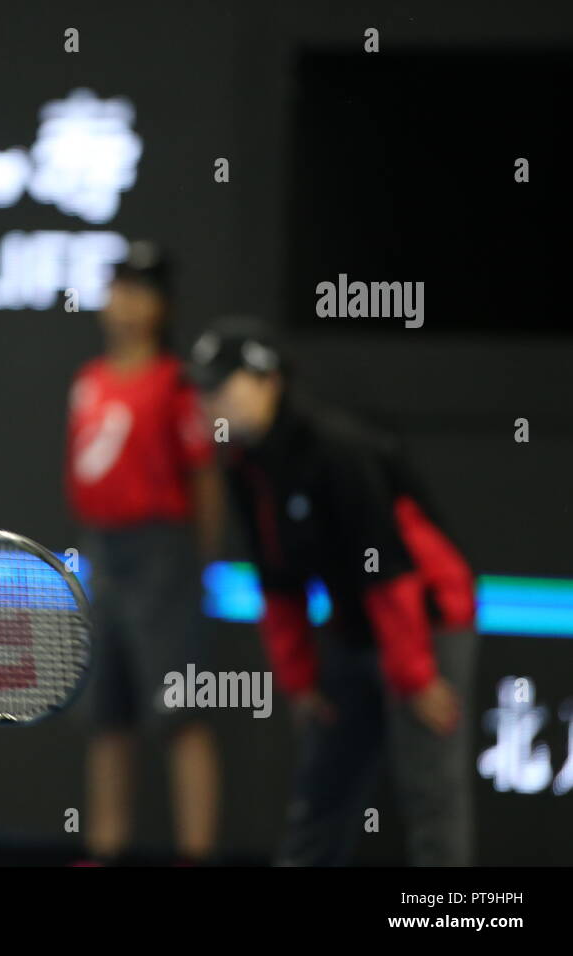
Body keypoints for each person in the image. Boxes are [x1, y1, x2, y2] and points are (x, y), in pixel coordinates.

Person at [188, 316, 478, 866]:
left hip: (428, 619)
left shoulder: (339, 450)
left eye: (220, 387)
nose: (208, 403)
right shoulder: (241, 464)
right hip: (352, 626)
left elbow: (388, 569)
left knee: (429, 793)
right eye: (202, 389)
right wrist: (300, 679)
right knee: (322, 791)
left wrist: (414, 676)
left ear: (269, 381)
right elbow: (277, 582)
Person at [65, 241, 224, 865]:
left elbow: (205, 480)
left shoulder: (177, 385)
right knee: (105, 717)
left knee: (181, 714)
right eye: (119, 289)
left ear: (162, 306)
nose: (126, 304)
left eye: (141, 291)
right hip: (102, 552)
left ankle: (197, 854)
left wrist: (197, 567)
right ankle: (103, 850)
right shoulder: (89, 382)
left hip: (166, 557)